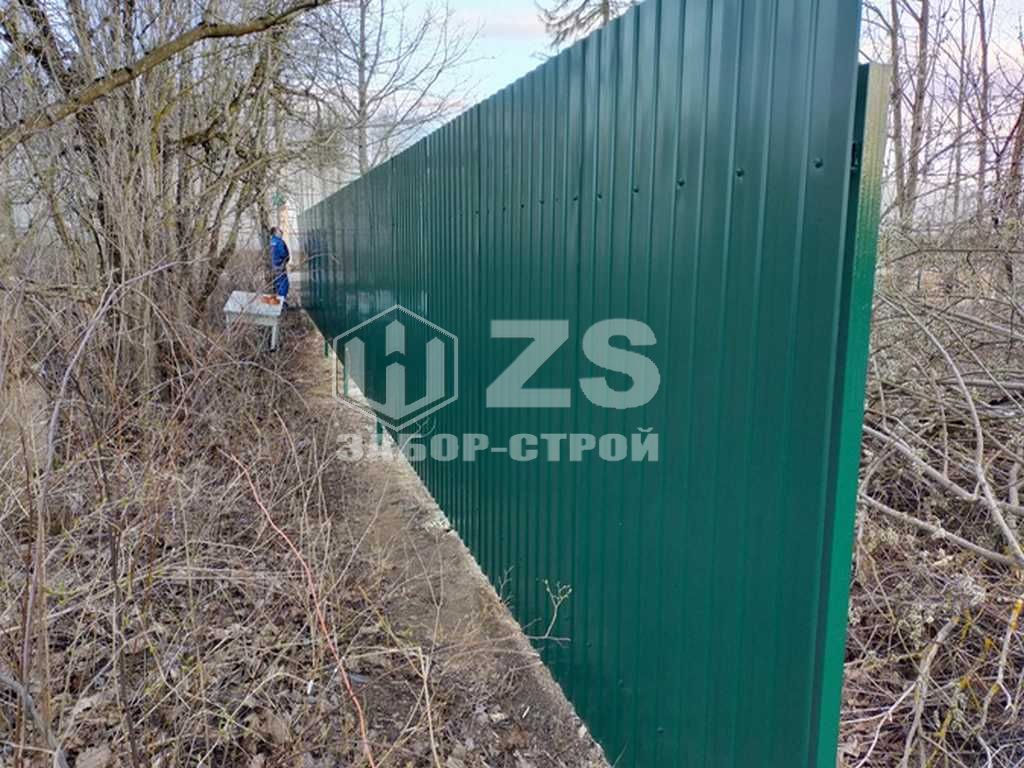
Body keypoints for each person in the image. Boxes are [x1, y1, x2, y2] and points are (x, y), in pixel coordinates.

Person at [269, 226, 290, 307]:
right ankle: (282, 304)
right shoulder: (279, 241)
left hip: (274, 266)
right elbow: (283, 253)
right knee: (284, 284)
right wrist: (286, 259)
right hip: (280, 266)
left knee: (278, 284)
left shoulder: (272, 241)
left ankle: (278, 303)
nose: (281, 232)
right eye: (279, 231)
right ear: (275, 232)